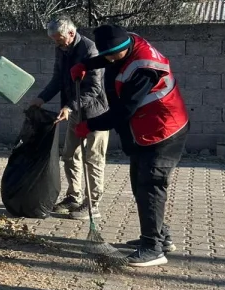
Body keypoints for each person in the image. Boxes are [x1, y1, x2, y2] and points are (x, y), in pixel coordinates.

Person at [70, 25, 189, 267]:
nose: (111, 60)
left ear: (126, 47)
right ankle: (159, 236)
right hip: (144, 131)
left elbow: (123, 111)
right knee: (139, 183)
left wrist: (91, 125)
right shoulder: (127, 43)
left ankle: (153, 249)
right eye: (107, 55)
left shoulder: (144, 68)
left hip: (163, 131)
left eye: (115, 55)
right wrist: (87, 65)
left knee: (151, 184)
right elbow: (108, 57)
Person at [30, 18, 109, 220]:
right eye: (54, 39)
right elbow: (58, 79)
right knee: (70, 155)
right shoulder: (61, 49)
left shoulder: (90, 50)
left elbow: (94, 88)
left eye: (59, 38)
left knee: (93, 159)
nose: (56, 43)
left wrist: (69, 106)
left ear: (71, 33)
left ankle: (93, 204)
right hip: (74, 112)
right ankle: (74, 197)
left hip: (95, 114)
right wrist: (41, 98)